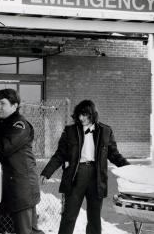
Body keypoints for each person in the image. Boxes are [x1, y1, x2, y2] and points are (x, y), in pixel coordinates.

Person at [40, 100, 130, 234]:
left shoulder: (105, 131)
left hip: (97, 176)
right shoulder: (70, 131)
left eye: (84, 115)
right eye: (79, 115)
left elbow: (114, 155)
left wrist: (130, 169)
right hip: (76, 175)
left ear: (92, 114)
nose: (81, 118)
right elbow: (59, 154)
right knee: (69, 215)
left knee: (94, 218)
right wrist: (47, 172)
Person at [0, 89, 43, 234]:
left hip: (22, 188)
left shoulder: (19, 125)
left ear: (15, 106)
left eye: (2, 103)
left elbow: (3, 148)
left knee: (25, 230)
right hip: (9, 187)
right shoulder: (2, 124)